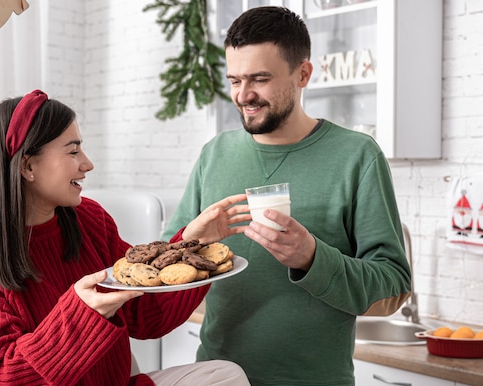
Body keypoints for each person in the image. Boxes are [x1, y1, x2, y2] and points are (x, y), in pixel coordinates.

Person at [161, 6, 412, 386]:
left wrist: (313, 258)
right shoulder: (214, 154)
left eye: (260, 79)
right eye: (234, 80)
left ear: (303, 74)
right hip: (216, 377)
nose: (244, 95)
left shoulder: (357, 156)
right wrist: (189, 241)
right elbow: (165, 273)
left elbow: (393, 287)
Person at [0, 90, 252, 385]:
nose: (87, 163)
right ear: (27, 165)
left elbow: (147, 316)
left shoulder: (89, 219)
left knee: (226, 376)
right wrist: (82, 315)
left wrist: (192, 248)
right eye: (73, 151)